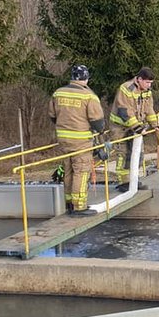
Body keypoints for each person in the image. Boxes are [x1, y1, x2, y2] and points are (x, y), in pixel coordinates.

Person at [48, 65, 105, 216]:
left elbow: (52, 116)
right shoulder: (89, 96)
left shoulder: (58, 93)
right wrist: (100, 134)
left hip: (63, 139)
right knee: (81, 171)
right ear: (86, 78)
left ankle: (69, 204)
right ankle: (79, 206)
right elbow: (97, 121)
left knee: (68, 170)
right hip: (81, 140)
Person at [109, 67, 159, 192]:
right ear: (139, 79)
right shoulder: (126, 89)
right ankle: (124, 182)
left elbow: (149, 109)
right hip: (120, 128)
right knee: (124, 154)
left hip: (136, 128)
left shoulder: (147, 91)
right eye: (147, 82)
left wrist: (155, 125)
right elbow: (125, 111)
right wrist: (138, 127)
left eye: (150, 83)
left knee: (138, 154)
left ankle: (134, 179)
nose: (149, 85)